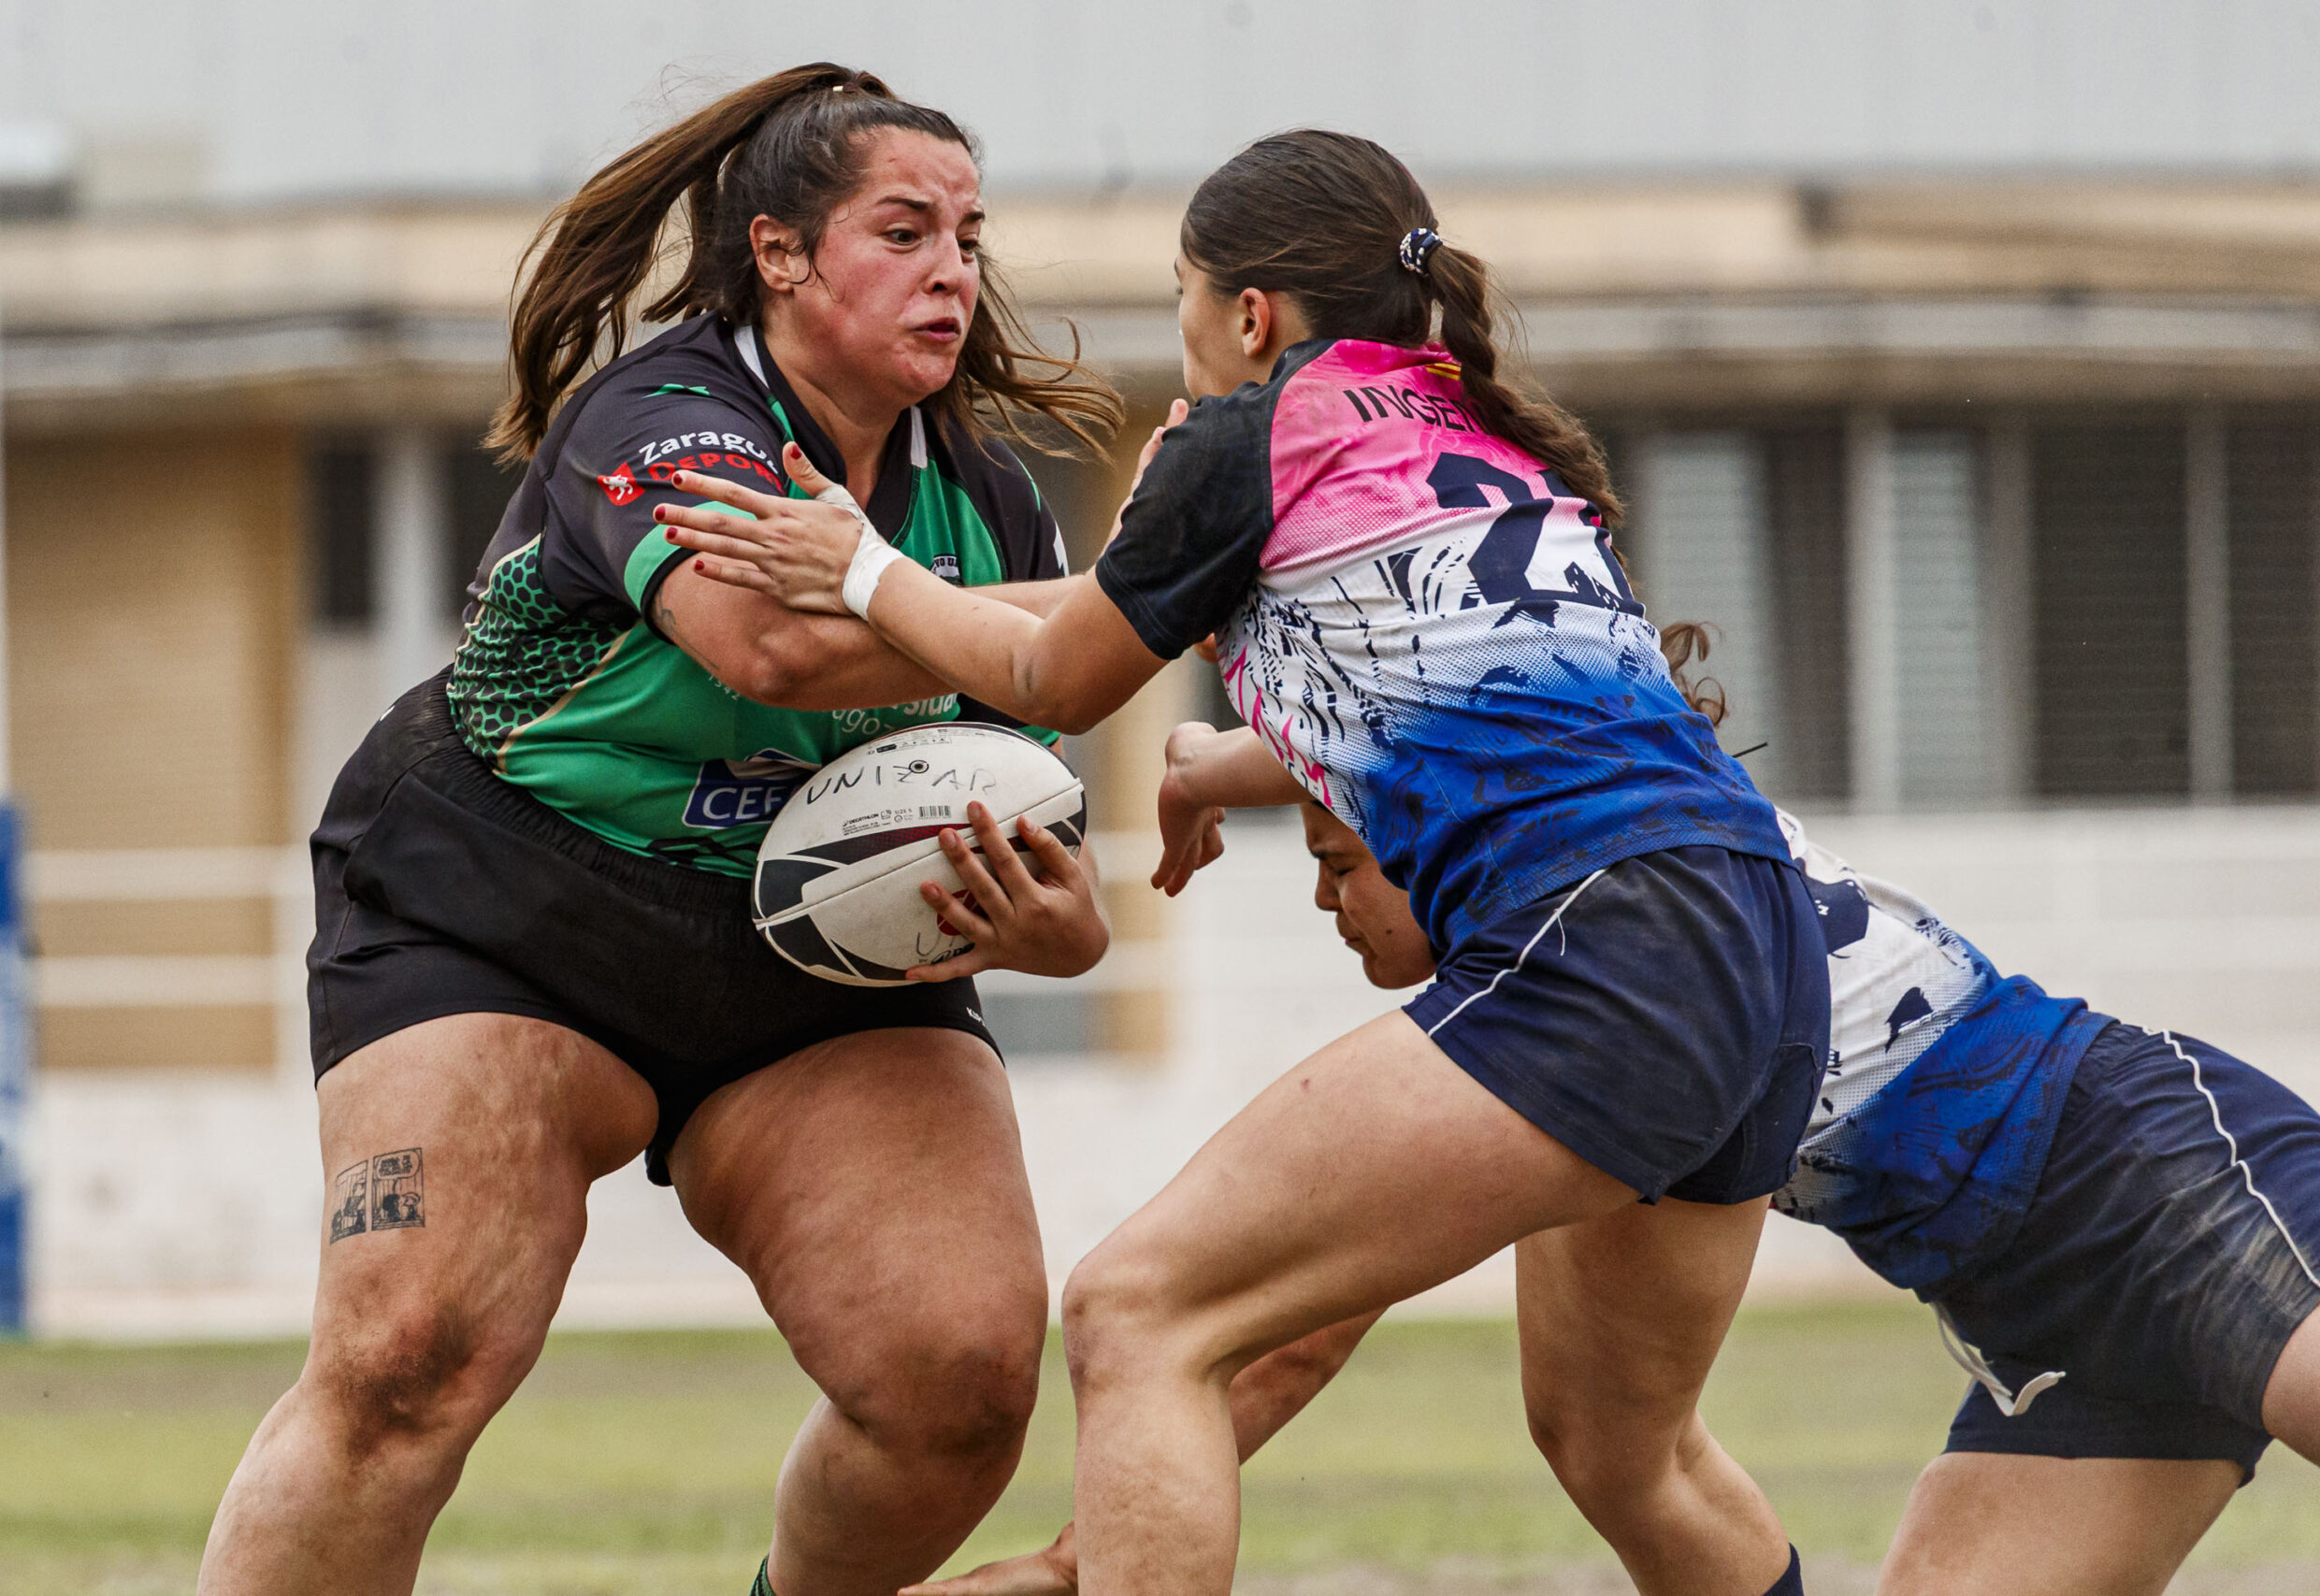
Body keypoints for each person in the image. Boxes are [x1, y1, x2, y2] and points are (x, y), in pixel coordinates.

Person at [662, 131, 1824, 1596]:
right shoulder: (1490, 442)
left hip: (1607, 947)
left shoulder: (1253, 433)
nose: (1186, 338)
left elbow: (1051, 670)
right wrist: (1230, 762)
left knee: (1140, 1313)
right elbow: (1491, 700)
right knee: (1624, 1449)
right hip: (1770, 940)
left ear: (1253, 314)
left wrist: (859, 568)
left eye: (1183, 301)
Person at [198, 65, 1121, 1596]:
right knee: (406, 1355)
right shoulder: (670, 413)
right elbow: (771, 646)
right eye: (904, 230)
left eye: (969, 234)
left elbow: (1043, 828)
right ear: (779, 254)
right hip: (503, 909)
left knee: (956, 1389)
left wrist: (1059, 924)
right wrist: (1110, 614)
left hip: (815, 973)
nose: (954, 270)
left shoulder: (991, 507)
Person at [919, 707, 2320, 1596]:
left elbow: (1292, 1333)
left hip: (2170, 1183)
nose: (1330, 902)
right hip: (2043, 1333)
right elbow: (1304, 1314)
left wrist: (1070, 1568)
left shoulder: (1628, 934)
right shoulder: (1569, 1005)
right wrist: (1206, 755)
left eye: (1342, 865)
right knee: (1607, 1441)